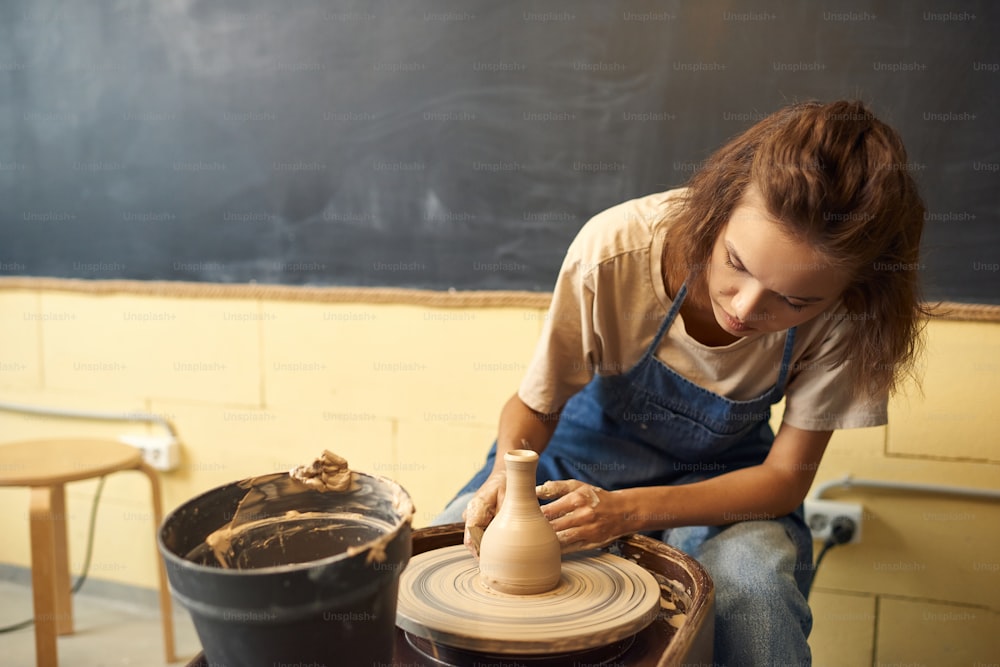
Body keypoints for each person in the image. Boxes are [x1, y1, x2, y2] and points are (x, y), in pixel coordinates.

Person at [433, 99, 927, 665]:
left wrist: (628, 511)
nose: (744, 309)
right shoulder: (616, 250)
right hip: (577, 463)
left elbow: (785, 480)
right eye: (736, 264)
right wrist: (504, 475)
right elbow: (535, 408)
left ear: (851, 292)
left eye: (794, 300)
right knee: (450, 543)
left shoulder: (853, 317)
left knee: (750, 591)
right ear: (717, 213)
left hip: (729, 483)